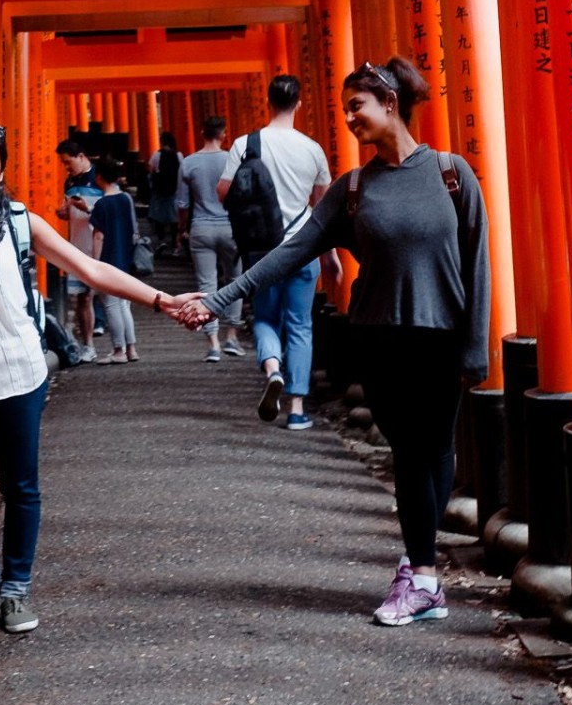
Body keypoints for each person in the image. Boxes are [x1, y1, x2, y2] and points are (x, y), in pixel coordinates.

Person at [178, 58, 491, 627]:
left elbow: (478, 265)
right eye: (346, 108)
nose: (349, 118)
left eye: (357, 106)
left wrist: (476, 347)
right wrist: (219, 300)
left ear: (390, 103)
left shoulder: (451, 174)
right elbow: (289, 252)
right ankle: (422, 575)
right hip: (378, 337)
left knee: (436, 450)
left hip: (441, 338)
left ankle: (420, 571)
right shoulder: (353, 190)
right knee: (410, 453)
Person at [0, 121, 183, 633]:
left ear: (0, 172)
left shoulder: (23, 222)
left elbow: (89, 270)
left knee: (23, 486)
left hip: (20, 373)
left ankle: (15, 589)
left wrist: (161, 298)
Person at [217, 73, 338, 432]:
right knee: (300, 325)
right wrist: (330, 257)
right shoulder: (312, 149)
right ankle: (298, 408)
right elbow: (324, 210)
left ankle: (273, 369)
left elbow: (223, 192)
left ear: (268, 101)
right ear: (299, 102)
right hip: (303, 250)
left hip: (262, 252)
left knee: (265, 319)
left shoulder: (244, 144)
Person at [177, 115, 246, 364]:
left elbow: (183, 203)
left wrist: (181, 228)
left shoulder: (189, 163)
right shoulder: (233, 159)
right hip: (230, 228)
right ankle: (232, 336)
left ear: (202, 132)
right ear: (224, 134)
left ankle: (213, 343)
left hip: (201, 228)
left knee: (206, 286)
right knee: (236, 281)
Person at [90, 155, 142, 363]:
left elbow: (98, 236)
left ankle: (118, 350)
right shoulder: (126, 199)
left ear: (99, 176)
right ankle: (131, 349)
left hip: (108, 259)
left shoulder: (102, 204)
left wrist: (94, 265)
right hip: (126, 257)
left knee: (111, 305)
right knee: (124, 305)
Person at [56, 137, 101, 361]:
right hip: (76, 245)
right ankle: (88, 344)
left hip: (96, 245)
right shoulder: (69, 182)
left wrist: (88, 208)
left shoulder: (100, 178)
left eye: (67, 162)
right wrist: (64, 212)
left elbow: (106, 211)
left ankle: (122, 346)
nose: (66, 167)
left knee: (91, 297)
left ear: (81, 157)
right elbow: (68, 210)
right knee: (82, 298)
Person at [147, 130, 182, 254]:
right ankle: (175, 244)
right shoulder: (179, 155)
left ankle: (161, 240)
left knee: (159, 217)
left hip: (159, 191)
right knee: (174, 218)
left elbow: (150, 169)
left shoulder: (157, 154)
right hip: (174, 191)